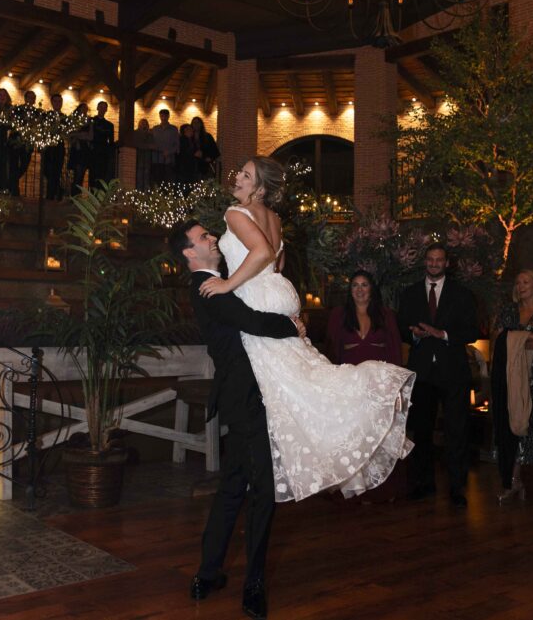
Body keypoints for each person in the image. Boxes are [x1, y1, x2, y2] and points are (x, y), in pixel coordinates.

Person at [197, 156, 415, 504]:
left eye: (246, 175)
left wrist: (227, 284)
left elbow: (262, 252)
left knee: (285, 387)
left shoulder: (235, 214)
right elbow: (278, 261)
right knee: (303, 379)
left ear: (260, 188)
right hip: (279, 292)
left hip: (258, 296)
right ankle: (349, 412)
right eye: (240, 172)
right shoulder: (275, 218)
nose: (237, 177)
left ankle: (262, 468)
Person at [169, 219, 304, 620]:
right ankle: (254, 586)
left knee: (232, 486)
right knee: (262, 490)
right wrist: (292, 326)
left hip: (242, 396)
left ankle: (207, 574)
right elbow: (255, 322)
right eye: (203, 237)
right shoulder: (208, 288)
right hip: (246, 400)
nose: (211, 237)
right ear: (189, 253)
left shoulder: (219, 282)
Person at [397, 243, 480, 507]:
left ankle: (457, 488)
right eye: (430, 259)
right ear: (425, 262)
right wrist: (414, 335)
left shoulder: (463, 294)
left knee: (457, 432)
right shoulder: (410, 293)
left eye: (439, 260)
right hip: (422, 372)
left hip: (453, 372)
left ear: (447, 263)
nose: (434, 264)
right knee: (422, 432)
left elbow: (471, 331)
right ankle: (424, 484)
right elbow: (400, 328)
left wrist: (442, 334)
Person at [325, 271, 407, 502]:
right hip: (349, 386)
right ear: (350, 290)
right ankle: (356, 487)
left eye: (364, 285)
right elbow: (332, 350)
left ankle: (383, 488)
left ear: (372, 289)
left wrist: (396, 386)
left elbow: (394, 351)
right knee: (355, 436)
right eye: (355, 286)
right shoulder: (339, 315)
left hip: (379, 387)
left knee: (380, 436)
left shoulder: (385, 315)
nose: (360, 290)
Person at [489, 269, 533, 508]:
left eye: (526, 282)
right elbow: (497, 339)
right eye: (517, 282)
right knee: (513, 426)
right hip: (511, 377)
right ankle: (513, 481)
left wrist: (516, 339)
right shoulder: (508, 311)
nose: (521, 286)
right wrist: (526, 339)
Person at [7, 90, 37, 196]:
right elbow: (11, 123)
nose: (31, 100)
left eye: (33, 98)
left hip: (27, 144)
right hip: (15, 141)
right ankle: (14, 190)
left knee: (24, 165)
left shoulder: (37, 112)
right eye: (29, 97)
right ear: (25, 99)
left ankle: (10, 183)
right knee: (13, 165)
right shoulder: (17, 109)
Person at [41, 94, 66, 200]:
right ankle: (54, 193)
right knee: (47, 170)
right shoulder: (47, 115)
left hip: (59, 147)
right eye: (55, 101)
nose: (57, 103)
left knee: (56, 171)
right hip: (48, 147)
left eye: (59, 101)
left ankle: (52, 195)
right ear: (52, 103)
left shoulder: (64, 117)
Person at [67, 104, 93, 194]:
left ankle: (77, 196)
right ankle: (74, 196)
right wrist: (81, 135)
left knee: (81, 173)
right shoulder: (74, 120)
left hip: (85, 149)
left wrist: (78, 135)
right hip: (76, 148)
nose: (85, 110)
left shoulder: (89, 120)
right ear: (79, 109)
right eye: (83, 108)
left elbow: (90, 137)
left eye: (86, 108)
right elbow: (70, 135)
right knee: (77, 173)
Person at [151, 108, 179, 186]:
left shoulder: (174, 129)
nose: (163, 118)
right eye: (161, 116)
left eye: (165, 116)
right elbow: (151, 142)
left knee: (168, 182)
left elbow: (177, 145)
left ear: (168, 116)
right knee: (157, 182)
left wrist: (169, 152)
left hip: (168, 160)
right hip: (156, 159)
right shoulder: (155, 129)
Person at [91, 101, 116, 185]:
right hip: (92, 151)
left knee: (102, 175)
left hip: (103, 153)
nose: (102, 109)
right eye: (100, 107)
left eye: (104, 107)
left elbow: (111, 141)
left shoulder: (109, 125)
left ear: (106, 110)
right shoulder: (91, 121)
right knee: (93, 175)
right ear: (97, 108)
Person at [134, 118, 155, 191]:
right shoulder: (135, 133)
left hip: (147, 158)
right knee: (139, 176)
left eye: (145, 124)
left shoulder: (150, 134)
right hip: (139, 158)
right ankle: (139, 193)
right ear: (139, 124)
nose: (144, 125)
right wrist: (147, 146)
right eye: (142, 123)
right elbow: (136, 144)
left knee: (147, 176)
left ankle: (145, 194)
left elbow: (153, 145)